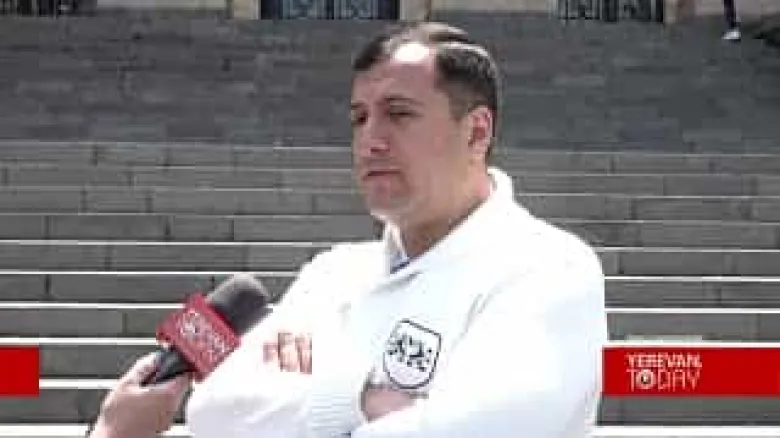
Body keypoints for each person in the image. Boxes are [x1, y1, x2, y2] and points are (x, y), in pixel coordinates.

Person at [88, 21, 608, 438]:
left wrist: (305, 396)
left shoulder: (547, 268)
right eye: (359, 118)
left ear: (476, 132)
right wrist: (367, 400)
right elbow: (216, 412)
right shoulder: (331, 273)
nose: (369, 141)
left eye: (398, 114)